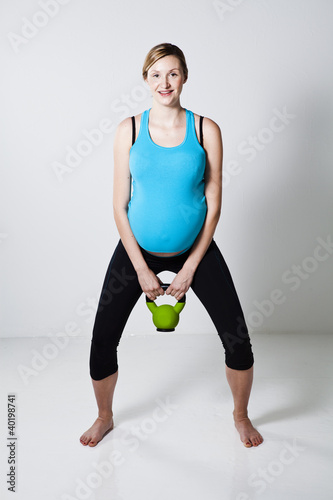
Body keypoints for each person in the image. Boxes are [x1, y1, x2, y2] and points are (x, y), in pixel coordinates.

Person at [80, 43, 263, 448]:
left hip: (195, 248)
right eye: (157, 74)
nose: (165, 82)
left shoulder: (205, 129)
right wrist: (141, 268)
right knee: (102, 339)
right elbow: (118, 204)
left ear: (185, 77)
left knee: (238, 339)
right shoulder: (127, 129)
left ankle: (241, 415)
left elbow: (214, 207)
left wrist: (191, 267)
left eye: (174, 73)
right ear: (146, 79)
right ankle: (104, 416)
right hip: (136, 251)